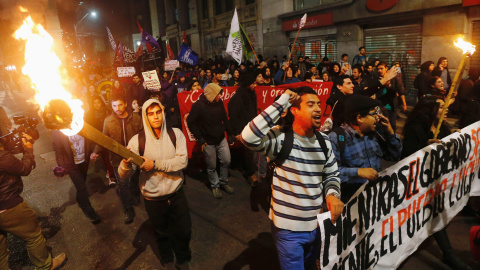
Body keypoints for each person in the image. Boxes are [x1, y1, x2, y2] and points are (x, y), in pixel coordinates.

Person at [241, 87, 344, 270]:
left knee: (311, 265)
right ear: (295, 110)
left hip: (316, 225)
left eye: (319, 104)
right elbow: (248, 137)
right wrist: (283, 101)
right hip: (288, 230)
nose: (318, 109)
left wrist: (332, 194)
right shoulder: (280, 138)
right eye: (310, 105)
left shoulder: (324, 141)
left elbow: (331, 174)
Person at [118, 98, 191, 270]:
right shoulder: (137, 141)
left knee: (184, 230)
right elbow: (124, 175)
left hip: (176, 193)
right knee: (161, 233)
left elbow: (182, 162)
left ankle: (182, 258)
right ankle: (168, 260)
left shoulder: (176, 134)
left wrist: (156, 164)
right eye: (151, 114)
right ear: (145, 117)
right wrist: (126, 164)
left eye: (158, 112)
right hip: (153, 198)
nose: (155, 117)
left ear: (163, 113)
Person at [401, 97, 471, 270]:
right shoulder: (416, 128)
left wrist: (457, 138)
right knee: (435, 213)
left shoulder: (443, 126)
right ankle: (449, 255)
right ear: (429, 110)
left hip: (437, 179)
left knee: (430, 214)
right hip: (419, 181)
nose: (446, 108)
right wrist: (425, 145)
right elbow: (406, 156)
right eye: (440, 106)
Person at [0, 128, 66, 269]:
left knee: (0, 252)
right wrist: (28, 149)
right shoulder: (1, 156)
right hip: (8, 206)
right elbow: (24, 168)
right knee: (34, 236)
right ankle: (45, 265)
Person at [328, 96, 402, 202]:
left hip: (374, 199)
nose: (377, 118)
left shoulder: (374, 134)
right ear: (360, 118)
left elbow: (394, 155)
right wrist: (358, 172)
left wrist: (390, 133)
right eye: (373, 114)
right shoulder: (336, 138)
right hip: (351, 202)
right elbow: (330, 173)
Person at [90, 94, 143, 224]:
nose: (117, 108)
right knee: (123, 184)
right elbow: (103, 139)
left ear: (125, 104)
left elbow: (143, 135)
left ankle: (135, 194)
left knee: (135, 179)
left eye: (119, 105)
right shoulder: (108, 121)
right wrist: (96, 152)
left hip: (134, 156)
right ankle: (128, 209)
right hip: (117, 159)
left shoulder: (136, 118)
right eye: (114, 105)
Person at [187, 84, 235, 198]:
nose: (220, 96)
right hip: (208, 142)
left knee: (226, 161)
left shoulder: (219, 103)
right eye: (218, 93)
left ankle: (224, 182)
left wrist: (230, 134)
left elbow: (225, 118)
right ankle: (215, 185)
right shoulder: (198, 105)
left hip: (221, 139)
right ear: (212, 94)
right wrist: (200, 138)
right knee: (211, 166)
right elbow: (190, 122)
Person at [52, 131, 102, 223]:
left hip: (84, 160)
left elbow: (89, 139)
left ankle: (80, 199)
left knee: (82, 183)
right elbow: (58, 149)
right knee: (81, 187)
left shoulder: (79, 122)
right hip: (71, 163)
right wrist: (61, 166)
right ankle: (90, 211)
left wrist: (93, 152)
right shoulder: (58, 130)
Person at [228, 72, 261, 187]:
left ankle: (251, 168)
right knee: (248, 151)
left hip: (252, 127)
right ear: (247, 84)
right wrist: (237, 132)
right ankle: (250, 173)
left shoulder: (252, 95)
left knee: (253, 150)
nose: (255, 85)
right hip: (243, 129)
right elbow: (234, 116)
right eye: (253, 83)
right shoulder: (237, 98)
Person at [85, 95, 116, 185]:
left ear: (101, 103)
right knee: (104, 157)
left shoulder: (107, 111)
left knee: (109, 156)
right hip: (98, 139)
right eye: (94, 103)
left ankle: (112, 176)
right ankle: (109, 171)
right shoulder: (90, 114)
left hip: (108, 137)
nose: (96, 105)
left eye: (98, 102)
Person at [375, 62, 405, 132]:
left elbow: (399, 90)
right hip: (381, 106)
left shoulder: (393, 78)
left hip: (392, 105)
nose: (379, 70)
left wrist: (404, 103)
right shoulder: (377, 80)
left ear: (386, 68)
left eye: (381, 68)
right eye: (378, 69)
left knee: (393, 125)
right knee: (382, 125)